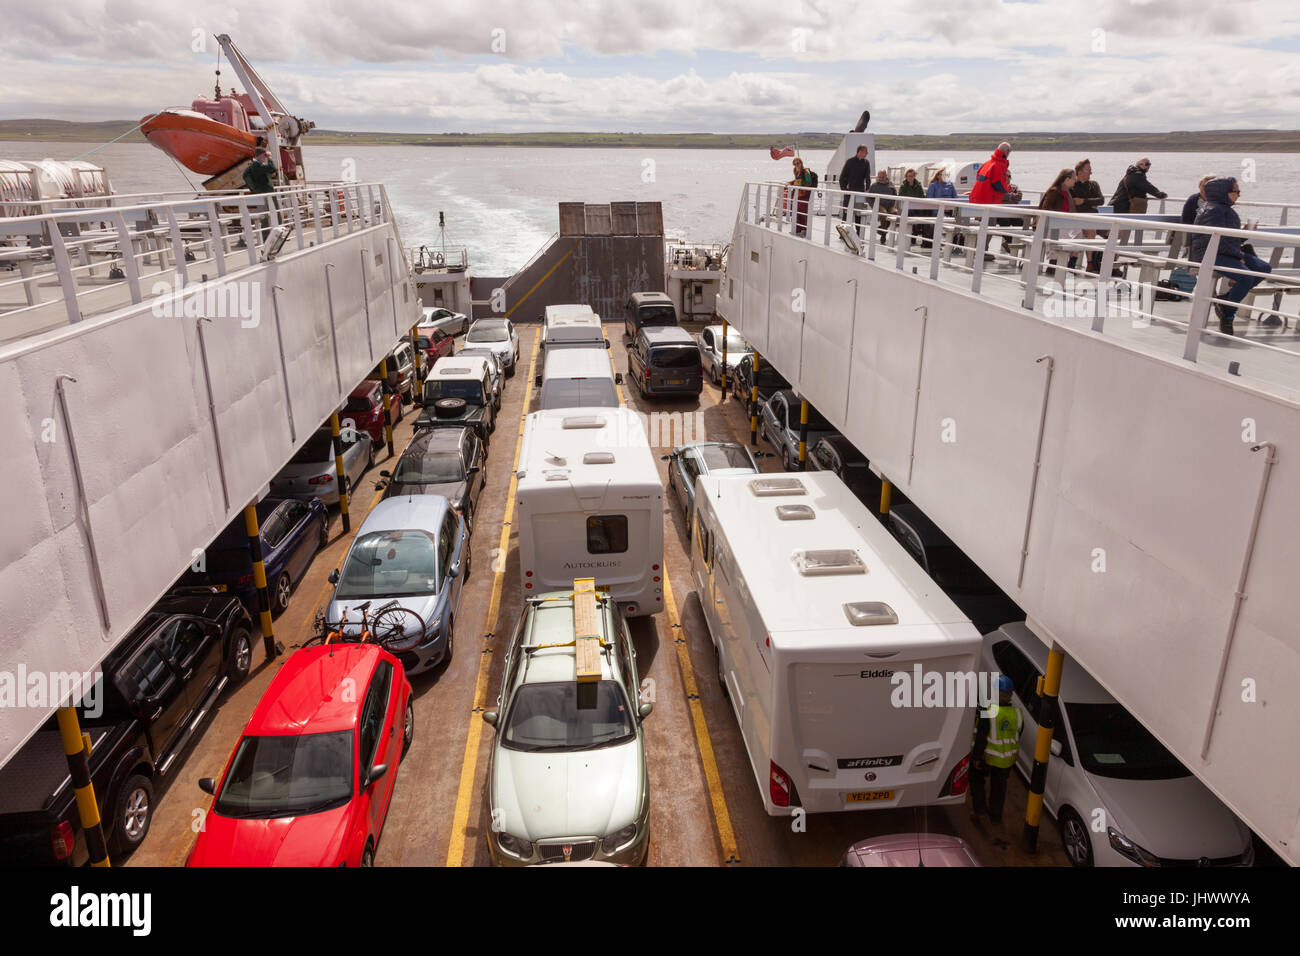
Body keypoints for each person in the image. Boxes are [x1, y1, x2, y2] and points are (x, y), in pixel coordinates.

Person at [1190, 177, 1272, 336]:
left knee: (1263, 268)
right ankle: (1228, 314)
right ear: (1223, 192)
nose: (1239, 195)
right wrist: (1237, 256)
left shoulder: (1224, 209)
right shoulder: (1213, 211)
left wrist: (1244, 233)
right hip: (1211, 254)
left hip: (1228, 252)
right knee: (1246, 277)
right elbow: (1214, 240)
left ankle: (1226, 302)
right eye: (1236, 191)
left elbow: (1229, 239)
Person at [970, 675, 1023, 825]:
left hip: (988, 757)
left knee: (976, 779)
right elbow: (1018, 734)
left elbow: (981, 736)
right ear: (1010, 695)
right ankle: (995, 816)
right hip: (1007, 760)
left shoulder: (988, 711)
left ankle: (980, 811)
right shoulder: (1017, 714)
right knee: (999, 788)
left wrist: (976, 758)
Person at [1069, 158, 1107, 272]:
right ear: (1079, 172)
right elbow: (1074, 203)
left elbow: (1101, 200)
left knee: (1116, 232)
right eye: (1088, 170)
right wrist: (1091, 203)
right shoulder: (1072, 185)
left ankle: (1109, 264)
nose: (1091, 172)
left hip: (1095, 218)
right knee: (1090, 231)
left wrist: (1084, 201)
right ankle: (1090, 264)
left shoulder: (1094, 185)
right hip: (1079, 220)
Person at [922, 167, 958, 250]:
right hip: (937, 209)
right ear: (938, 176)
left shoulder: (950, 185)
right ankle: (937, 242)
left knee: (958, 218)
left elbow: (955, 197)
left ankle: (954, 242)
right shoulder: (933, 185)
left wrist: (949, 207)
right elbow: (930, 199)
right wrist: (942, 208)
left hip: (950, 209)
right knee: (938, 216)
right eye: (942, 175)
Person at [838, 144, 871, 222]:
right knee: (846, 212)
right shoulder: (850, 162)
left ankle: (858, 233)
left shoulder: (866, 163)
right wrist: (844, 190)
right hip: (849, 191)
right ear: (860, 151)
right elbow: (842, 177)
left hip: (860, 192)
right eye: (866, 152)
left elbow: (867, 177)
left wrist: (867, 189)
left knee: (859, 213)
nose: (867, 153)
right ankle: (843, 233)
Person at [867, 170, 898, 243]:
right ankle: (883, 235)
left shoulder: (891, 185)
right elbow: (868, 198)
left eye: (883, 177)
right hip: (879, 205)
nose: (881, 178)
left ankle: (881, 229)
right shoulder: (874, 186)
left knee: (895, 213)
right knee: (884, 213)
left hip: (890, 205)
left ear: (886, 176)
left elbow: (895, 195)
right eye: (879, 177)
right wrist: (873, 205)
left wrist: (893, 203)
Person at [788, 157, 815, 237]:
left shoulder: (805, 171)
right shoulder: (796, 171)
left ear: (801, 163)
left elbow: (808, 182)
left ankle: (804, 230)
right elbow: (796, 181)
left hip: (803, 194)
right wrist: (789, 183)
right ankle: (797, 229)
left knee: (803, 212)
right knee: (795, 211)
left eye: (798, 163)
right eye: (795, 164)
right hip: (797, 194)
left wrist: (800, 186)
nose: (797, 165)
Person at [898, 168, 926, 245]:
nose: (910, 178)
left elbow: (922, 197)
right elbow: (901, 198)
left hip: (917, 207)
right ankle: (914, 232)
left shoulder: (919, 185)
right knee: (911, 213)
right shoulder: (903, 186)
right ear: (906, 177)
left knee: (923, 214)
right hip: (907, 208)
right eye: (908, 176)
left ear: (914, 176)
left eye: (911, 176)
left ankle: (916, 232)